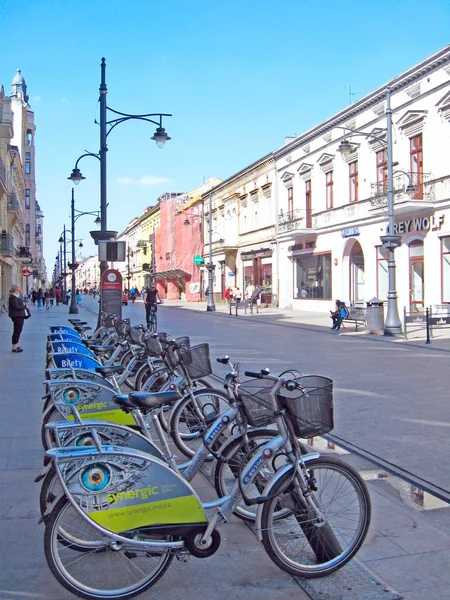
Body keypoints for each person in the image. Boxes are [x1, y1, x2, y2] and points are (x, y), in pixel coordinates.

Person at [9, 284, 30, 353]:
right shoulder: (13, 298)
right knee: (16, 331)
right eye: (18, 289)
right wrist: (25, 307)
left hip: (19, 316)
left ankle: (16, 345)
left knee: (18, 331)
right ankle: (14, 347)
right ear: (15, 290)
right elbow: (17, 307)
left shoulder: (16, 297)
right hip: (17, 316)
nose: (19, 290)